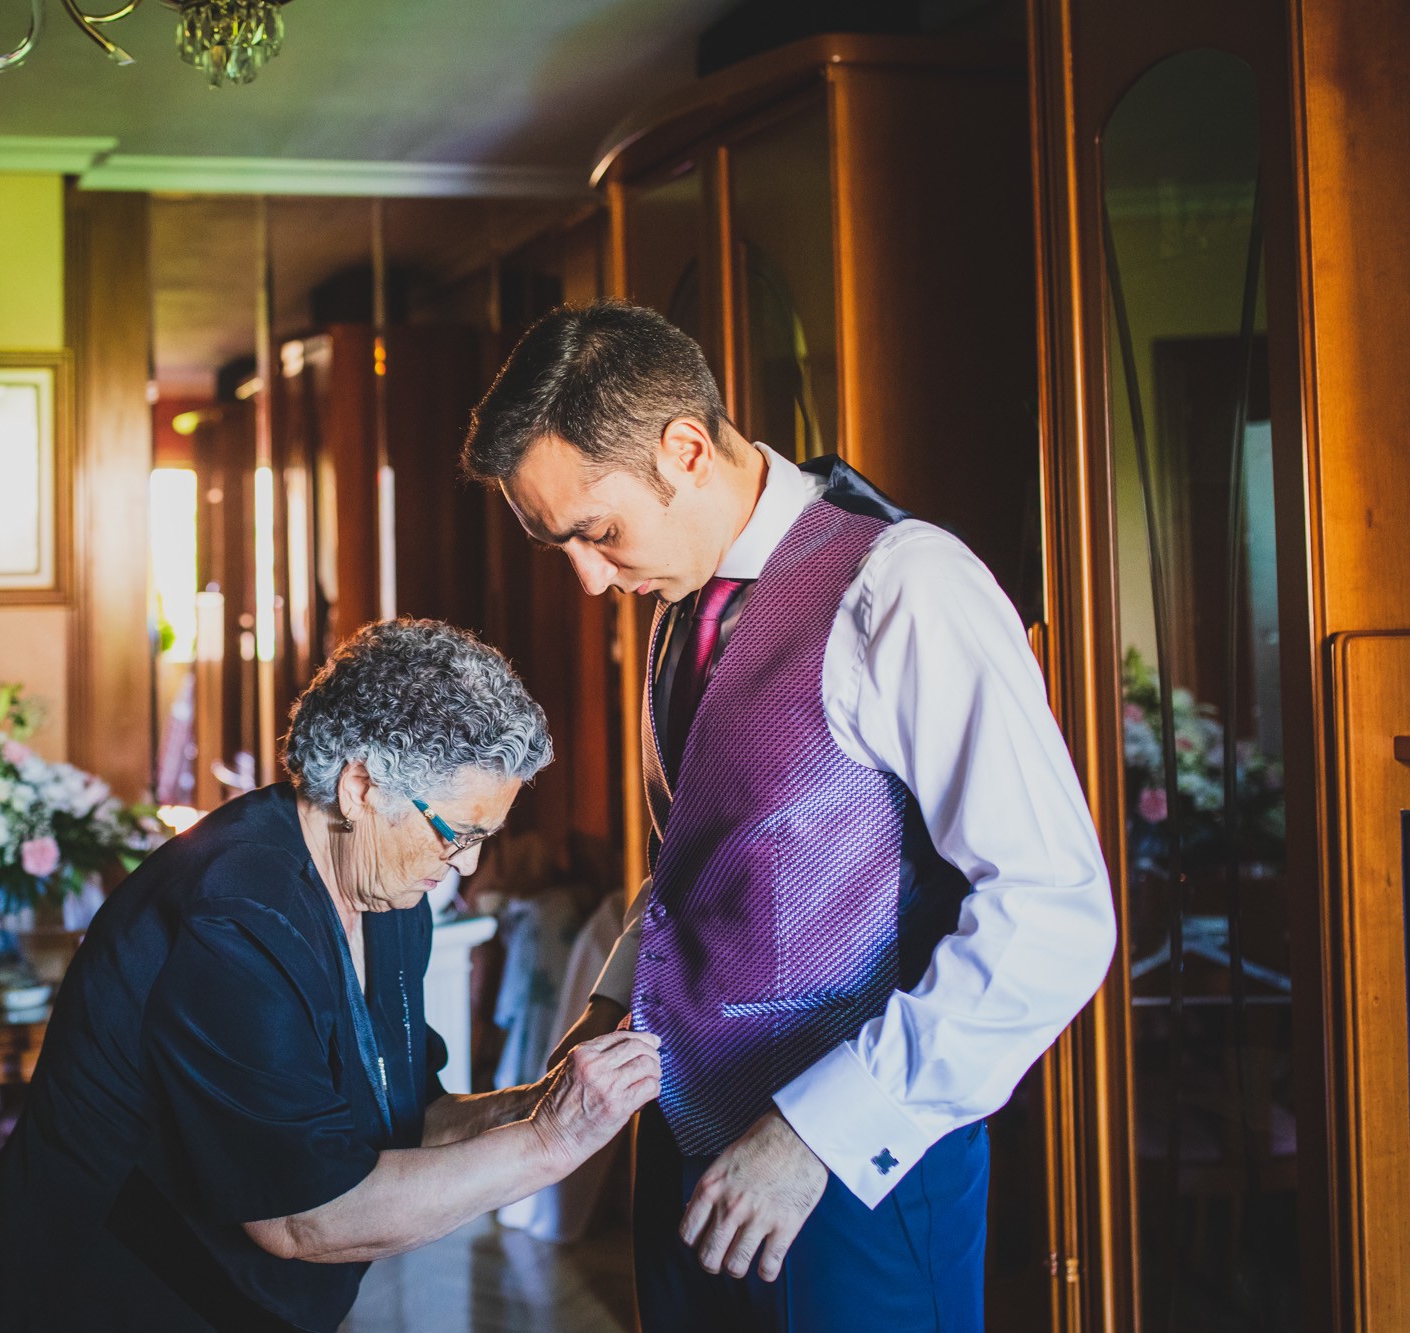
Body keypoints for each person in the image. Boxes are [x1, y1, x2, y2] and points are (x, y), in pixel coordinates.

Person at [462, 300, 1115, 1331]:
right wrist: (611, 1002)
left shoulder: (904, 587)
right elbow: (706, 866)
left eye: (596, 532)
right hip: (685, 1168)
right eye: (562, 546)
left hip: (858, 1183)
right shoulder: (685, 608)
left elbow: (1052, 913)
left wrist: (816, 1133)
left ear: (682, 447)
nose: (589, 578)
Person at [0, 619, 661, 1333]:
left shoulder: (388, 893)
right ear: (360, 787)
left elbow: (407, 1118)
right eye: (458, 833)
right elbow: (304, 1215)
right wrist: (551, 1143)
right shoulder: (234, 914)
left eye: (484, 837)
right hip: (102, 1295)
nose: (469, 866)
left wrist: (541, 1104)